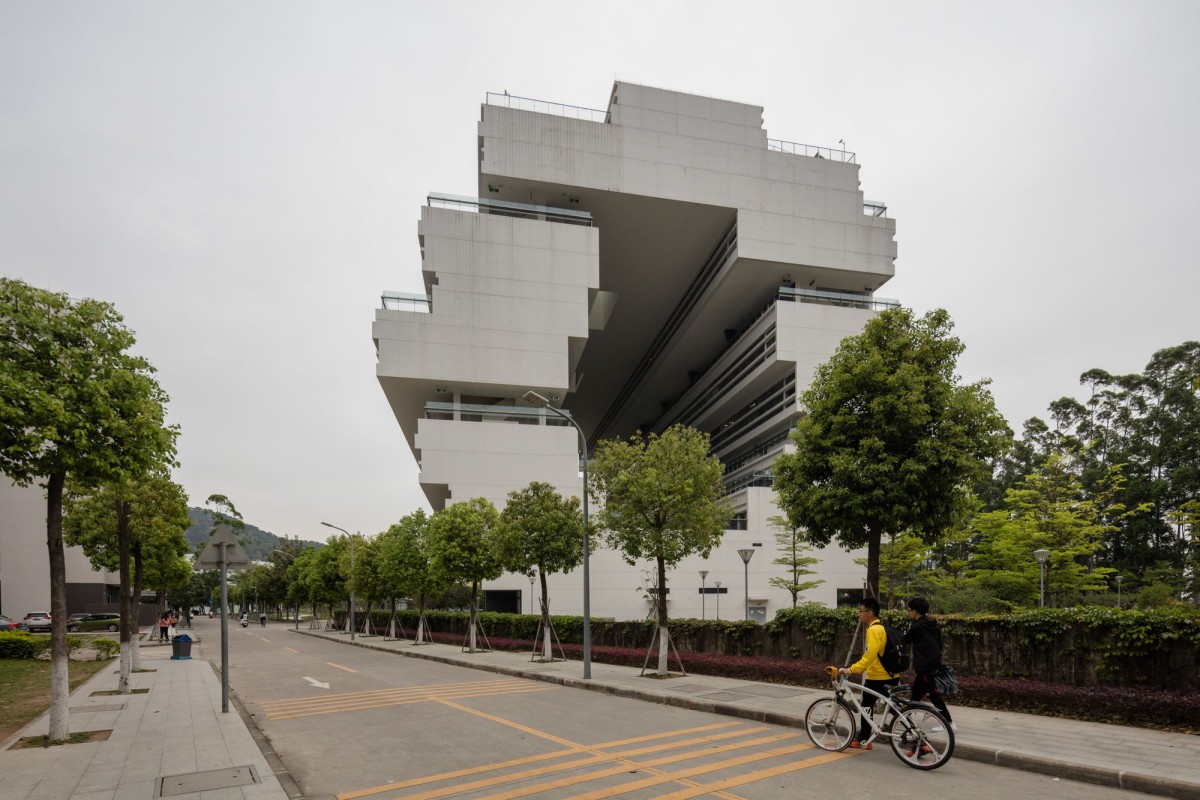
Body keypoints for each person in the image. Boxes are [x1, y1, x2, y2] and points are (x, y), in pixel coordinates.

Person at [838, 597, 901, 750]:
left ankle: (863, 740)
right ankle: (912, 731)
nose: (860, 614)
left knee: (866, 708)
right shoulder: (884, 627)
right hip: (892, 675)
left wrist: (853, 669)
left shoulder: (873, 630)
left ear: (870, 613)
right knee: (894, 709)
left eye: (862, 611)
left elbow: (870, 655)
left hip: (877, 678)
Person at [902, 596, 956, 731]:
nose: (909, 613)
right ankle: (904, 720)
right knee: (917, 693)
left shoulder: (917, 626)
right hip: (932, 664)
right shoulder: (932, 624)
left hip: (925, 667)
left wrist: (907, 629)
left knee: (932, 694)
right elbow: (940, 644)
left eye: (910, 610)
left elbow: (904, 640)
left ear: (915, 611)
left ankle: (949, 723)